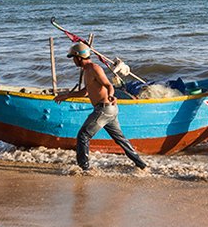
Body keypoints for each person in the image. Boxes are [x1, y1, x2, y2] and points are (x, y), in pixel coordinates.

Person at [54, 42, 147, 171]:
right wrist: (66, 96)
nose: (73, 61)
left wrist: (111, 95)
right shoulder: (87, 70)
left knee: (83, 135)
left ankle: (84, 168)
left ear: (79, 57)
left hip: (104, 108)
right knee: (120, 139)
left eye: (73, 58)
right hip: (108, 110)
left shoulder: (94, 68)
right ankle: (142, 165)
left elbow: (109, 85)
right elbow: (85, 92)